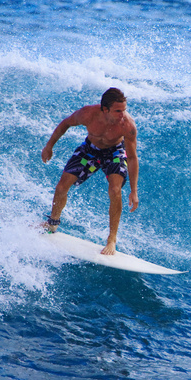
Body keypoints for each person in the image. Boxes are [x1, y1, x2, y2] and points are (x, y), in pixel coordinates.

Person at [41, 87, 139, 255]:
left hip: (114, 152)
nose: (122, 114)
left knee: (115, 190)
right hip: (90, 149)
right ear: (105, 109)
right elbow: (65, 123)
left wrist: (133, 190)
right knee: (61, 187)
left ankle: (111, 240)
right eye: (118, 111)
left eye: (124, 110)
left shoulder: (127, 126)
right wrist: (49, 146)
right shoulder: (87, 114)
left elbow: (132, 158)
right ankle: (52, 222)